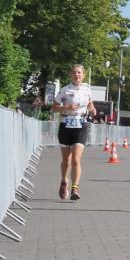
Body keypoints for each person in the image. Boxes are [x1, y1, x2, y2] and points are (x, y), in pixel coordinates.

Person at [53, 64, 96, 200]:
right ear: (70, 75)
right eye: (74, 73)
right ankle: (64, 181)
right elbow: (54, 108)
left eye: (79, 73)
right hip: (66, 125)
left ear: (83, 75)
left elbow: (90, 104)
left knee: (76, 159)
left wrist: (92, 109)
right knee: (66, 160)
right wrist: (67, 107)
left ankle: (75, 189)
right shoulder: (64, 90)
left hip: (81, 125)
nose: (77, 75)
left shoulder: (87, 90)